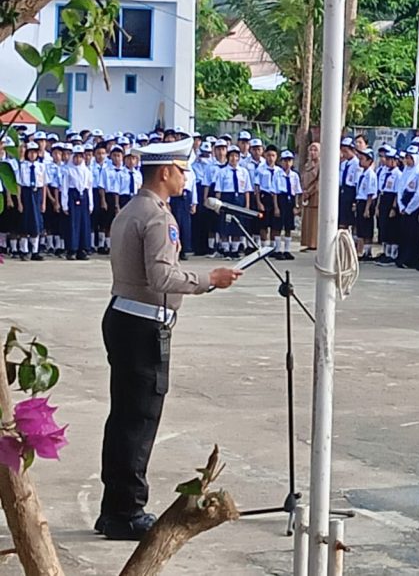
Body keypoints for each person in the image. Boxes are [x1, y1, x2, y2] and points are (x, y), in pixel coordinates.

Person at [96, 137, 242, 541]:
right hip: (143, 324)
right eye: (182, 171)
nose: (185, 178)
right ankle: (127, 511)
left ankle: (114, 508)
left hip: (124, 315)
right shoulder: (159, 218)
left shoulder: (133, 209)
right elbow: (161, 277)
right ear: (165, 172)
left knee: (124, 416)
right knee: (139, 419)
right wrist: (209, 279)